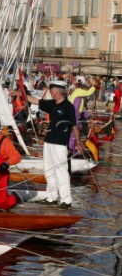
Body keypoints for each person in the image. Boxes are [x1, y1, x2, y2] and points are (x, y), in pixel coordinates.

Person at [17, 80, 83, 209]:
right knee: (49, 170)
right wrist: (21, 94)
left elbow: (74, 126)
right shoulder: (52, 104)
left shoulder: (68, 107)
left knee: (61, 171)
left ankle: (66, 200)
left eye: (51, 88)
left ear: (57, 90)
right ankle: (51, 197)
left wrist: (78, 142)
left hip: (60, 143)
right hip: (48, 141)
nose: (50, 91)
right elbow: (35, 101)